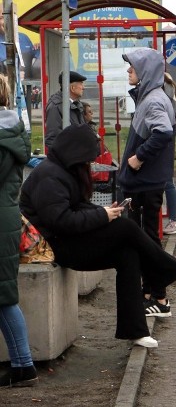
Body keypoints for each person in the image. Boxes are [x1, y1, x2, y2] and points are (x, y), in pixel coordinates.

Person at [19, 124, 176, 349]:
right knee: (125, 229)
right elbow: (62, 221)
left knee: (128, 254)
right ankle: (174, 272)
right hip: (53, 247)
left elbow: (77, 208)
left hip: (65, 241)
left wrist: (105, 213)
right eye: (88, 159)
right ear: (76, 154)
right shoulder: (49, 177)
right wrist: (102, 216)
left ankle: (135, 331)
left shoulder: (63, 171)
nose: (89, 164)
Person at [117, 48, 176, 319]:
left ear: (145, 72)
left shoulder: (152, 100)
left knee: (149, 240)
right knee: (146, 238)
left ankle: (161, 299)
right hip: (147, 182)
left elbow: (163, 132)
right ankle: (150, 292)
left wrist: (138, 158)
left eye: (132, 68)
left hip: (146, 182)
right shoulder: (152, 96)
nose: (129, 72)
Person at [0, 74, 38, 387]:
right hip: (6, 220)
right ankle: (22, 365)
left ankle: (24, 365)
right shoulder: (10, 131)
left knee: (4, 297)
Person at [44, 70, 86, 151]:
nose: (83, 87)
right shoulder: (56, 106)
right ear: (72, 88)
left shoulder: (77, 103)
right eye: (81, 84)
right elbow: (52, 139)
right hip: (69, 159)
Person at [162, 73, 176, 235]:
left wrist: (170, 134)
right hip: (167, 144)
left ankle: (173, 220)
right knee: (167, 182)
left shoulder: (167, 93)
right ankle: (172, 219)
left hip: (164, 146)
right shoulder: (171, 93)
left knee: (168, 182)